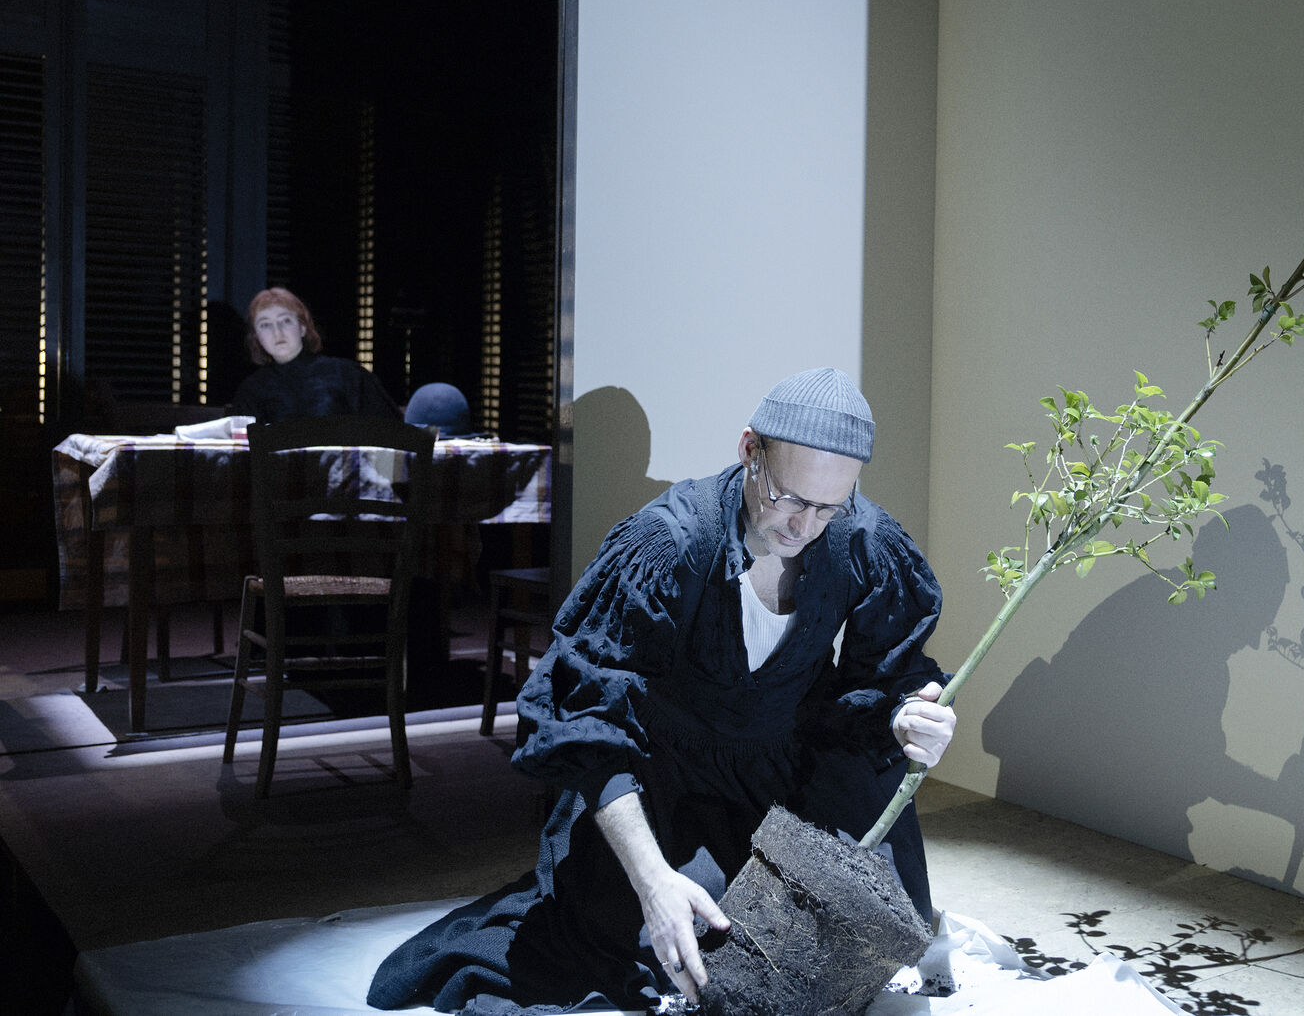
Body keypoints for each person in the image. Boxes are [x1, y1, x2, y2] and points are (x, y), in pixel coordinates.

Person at [368, 367, 957, 1014]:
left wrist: (908, 715)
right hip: (668, 780)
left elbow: (887, 676)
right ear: (749, 450)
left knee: (856, 929)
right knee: (670, 942)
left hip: (785, 773)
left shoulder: (861, 539)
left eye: (828, 506)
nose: (803, 526)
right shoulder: (670, 542)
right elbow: (587, 718)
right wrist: (653, 883)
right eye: (789, 497)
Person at [229, 287, 399, 424]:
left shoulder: (346, 374)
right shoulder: (250, 390)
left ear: (302, 328)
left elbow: (390, 430)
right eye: (265, 325)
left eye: (285, 321)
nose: (277, 332)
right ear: (256, 337)